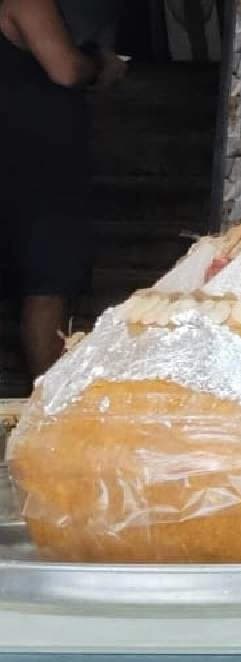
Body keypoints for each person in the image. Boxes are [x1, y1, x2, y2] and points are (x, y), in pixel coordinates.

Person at [0, 0, 126, 381]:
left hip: (21, 155)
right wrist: (100, 65)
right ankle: (48, 400)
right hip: (35, 160)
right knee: (47, 282)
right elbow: (65, 69)